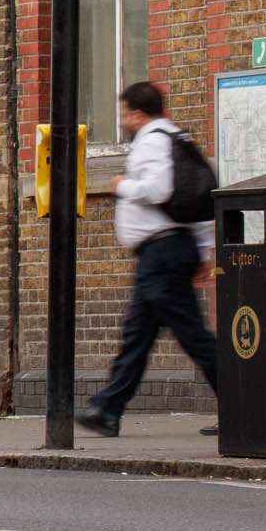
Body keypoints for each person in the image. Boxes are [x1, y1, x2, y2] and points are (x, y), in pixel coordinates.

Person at [84, 80, 221, 437]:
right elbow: (200, 201)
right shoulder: (176, 138)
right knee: (137, 335)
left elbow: (159, 191)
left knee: (192, 336)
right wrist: (204, 251)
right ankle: (107, 410)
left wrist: (121, 186)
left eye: (126, 114)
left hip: (163, 254)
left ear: (137, 112)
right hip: (166, 252)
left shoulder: (152, 142)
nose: (125, 121)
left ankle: (249, 406)